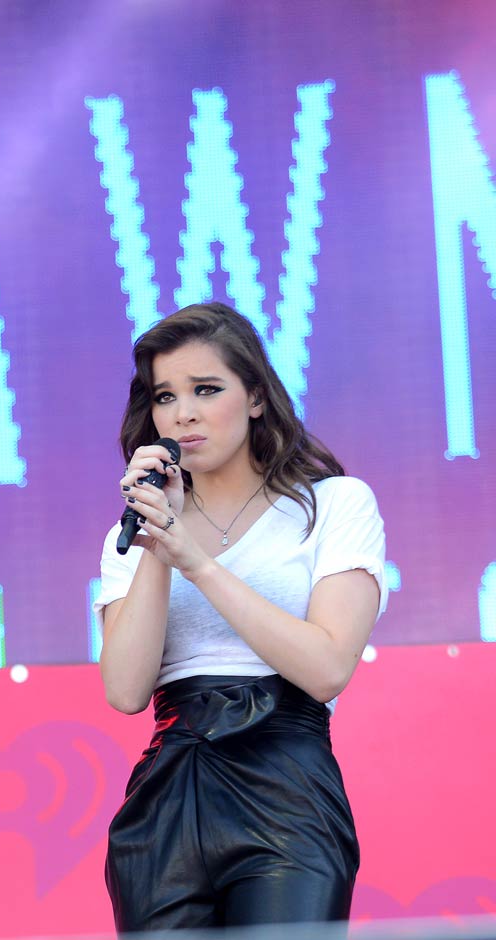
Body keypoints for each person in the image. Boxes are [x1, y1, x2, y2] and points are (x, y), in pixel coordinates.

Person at [92, 302, 386, 931]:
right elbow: (123, 690)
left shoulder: (333, 504)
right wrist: (159, 545)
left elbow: (329, 666)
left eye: (206, 389)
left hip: (287, 783)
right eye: (165, 396)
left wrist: (196, 561)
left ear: (255, 397)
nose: (184, 413)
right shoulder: (139, 535)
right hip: (170, 790)